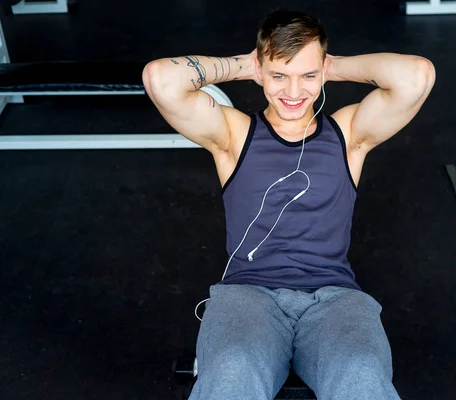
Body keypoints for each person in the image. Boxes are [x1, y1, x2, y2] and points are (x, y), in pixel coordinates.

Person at [143, 8, 435, 400]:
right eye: (279, 76)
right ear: (261, 72)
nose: (294, 93)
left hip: (335, 299)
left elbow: (417, 75)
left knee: (361, 374)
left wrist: (331, 67)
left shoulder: (348, 134)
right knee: (233, 370)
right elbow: (160, 78)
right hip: (249, 296)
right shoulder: (234, 134)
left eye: (307, 77)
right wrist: (245, 65)